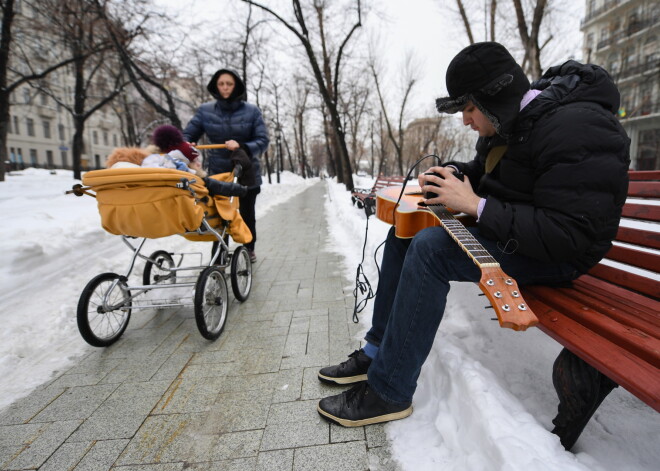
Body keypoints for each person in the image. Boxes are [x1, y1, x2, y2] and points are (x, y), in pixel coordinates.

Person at [316, 42, 630, 448]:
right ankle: (377, 351)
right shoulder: (513, 124)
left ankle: (389, 392)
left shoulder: (577, 127)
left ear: (494, 97)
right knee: (405, 232)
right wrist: (451, 175)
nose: (465, 121)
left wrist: (477, 205)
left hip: (560, 256)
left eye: (468, 109)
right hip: (521, 233)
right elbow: (487, 176)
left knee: (430, 250)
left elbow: (569, 233)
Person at [184, 68, 269, 262]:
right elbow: (189, 133)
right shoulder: (205, 111)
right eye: (221, 84)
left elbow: (262, 140)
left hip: (246, 169)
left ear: (236, 86)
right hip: (218, 171)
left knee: (247, 213)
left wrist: (243, 146)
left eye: (229, 84)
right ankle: (220, 251)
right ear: (216, 86)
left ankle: (249, 248)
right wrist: (187, 143)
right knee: (220, 213)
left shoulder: (251, 111)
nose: (225, 87)